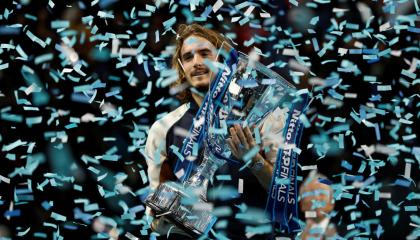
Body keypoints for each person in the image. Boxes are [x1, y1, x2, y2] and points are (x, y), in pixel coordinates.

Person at [145, 23, 288, 239]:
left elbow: (285, 195)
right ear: (181, 68)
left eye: (205, 54)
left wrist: (255, 160)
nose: (197, 63)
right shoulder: (163, 129)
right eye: (188, 57)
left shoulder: (265, 118)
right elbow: (154, 217)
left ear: (223, 61)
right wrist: (167, 218)